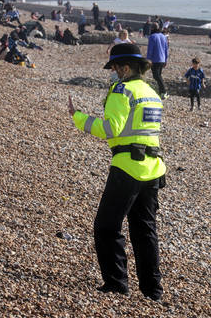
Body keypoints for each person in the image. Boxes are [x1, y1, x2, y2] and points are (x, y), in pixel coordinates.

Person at [67, 43, 165, 301]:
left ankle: (116, 283)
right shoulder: (150, 92)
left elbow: (111, 129)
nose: (112, 72)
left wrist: (79, 118)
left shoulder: (122, 90)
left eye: (114, 67)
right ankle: (152, 291)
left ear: (125, 68)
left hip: (126, 167)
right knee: (145, 230)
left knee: (106, 227)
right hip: (153, 168)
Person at [146, 23, 169, 99]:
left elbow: (150, 50)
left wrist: (148, 59)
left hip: (155, 60)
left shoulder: (152, 37)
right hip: (162, 59)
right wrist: (166, 59)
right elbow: (166, 49)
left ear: (152, 29)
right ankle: (161, 93)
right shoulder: (163, 36)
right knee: (158, 76)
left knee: (156, 76)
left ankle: (164, 91)